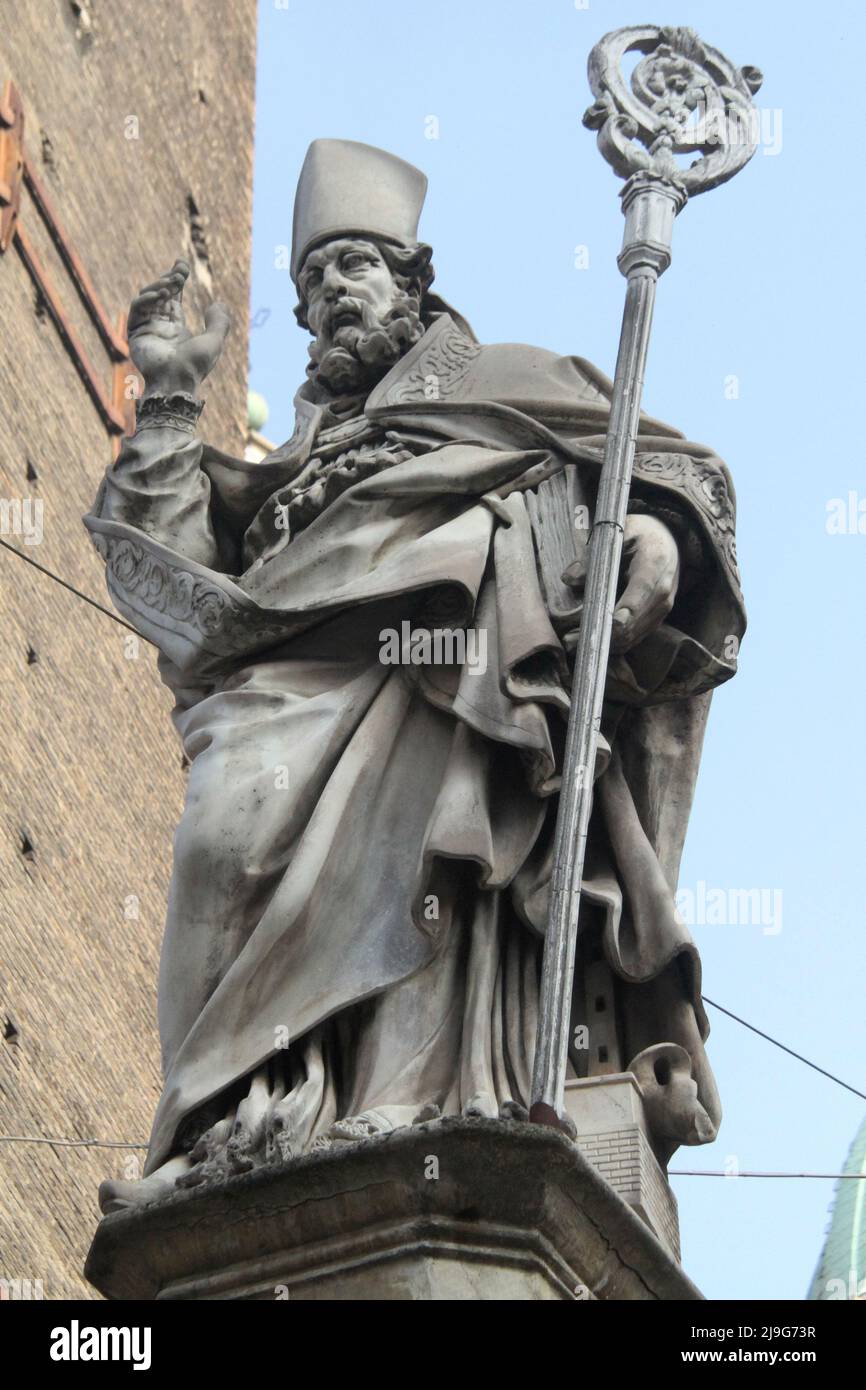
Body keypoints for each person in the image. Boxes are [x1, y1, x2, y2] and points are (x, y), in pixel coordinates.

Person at [85, 140, 744, 1211]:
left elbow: (671, 470)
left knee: (434, 835)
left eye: (355, 264)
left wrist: (654, 528)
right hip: (274, 691)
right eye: (312, 280)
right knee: (218, 844)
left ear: (412, 279)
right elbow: (176, 584)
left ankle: (402, 1095)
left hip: (436, 680)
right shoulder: (290, 464)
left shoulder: (497, 383)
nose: (332, 292)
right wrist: (166, 398)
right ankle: (218, 1129)